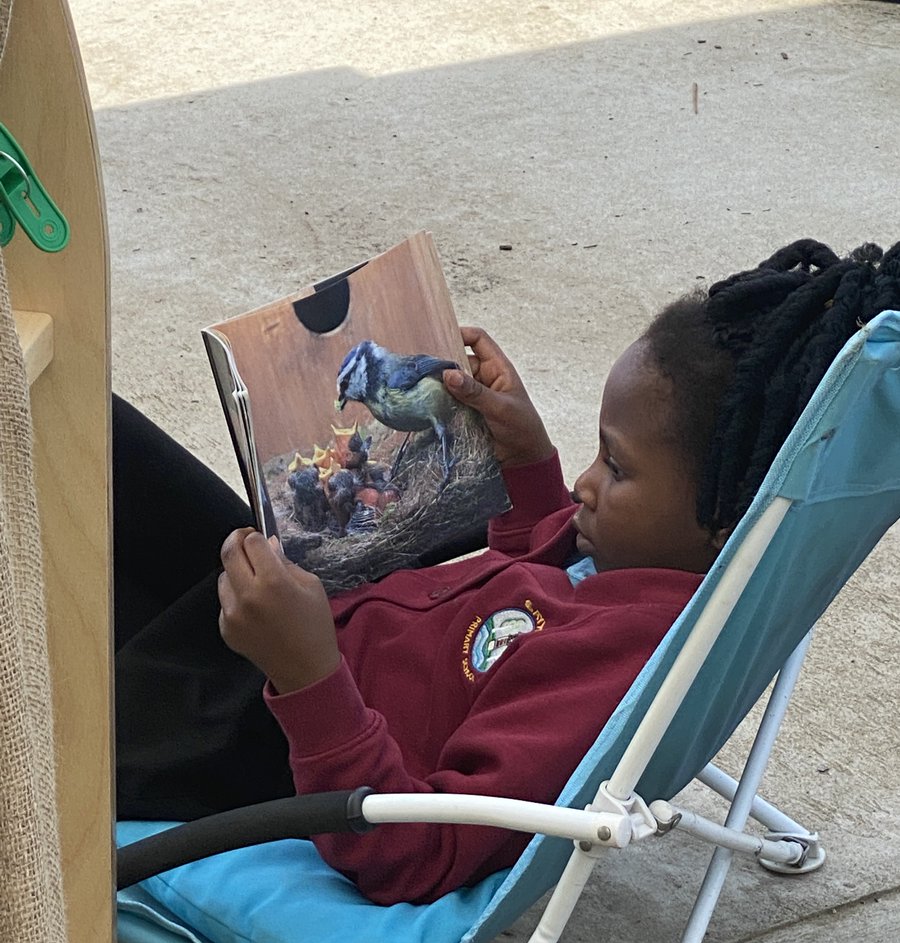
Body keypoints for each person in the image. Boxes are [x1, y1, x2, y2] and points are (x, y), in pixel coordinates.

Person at [115, 237, 900, 905]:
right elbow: (547, 587)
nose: (587, 483)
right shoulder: (650, 564)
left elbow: (418, 848)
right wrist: (528, 463)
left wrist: (308, 673)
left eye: (616, 469)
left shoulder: (614, 663)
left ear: (727, 517)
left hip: (249, 742)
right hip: (293, 634)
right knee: (100, 443)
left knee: (56, 652)